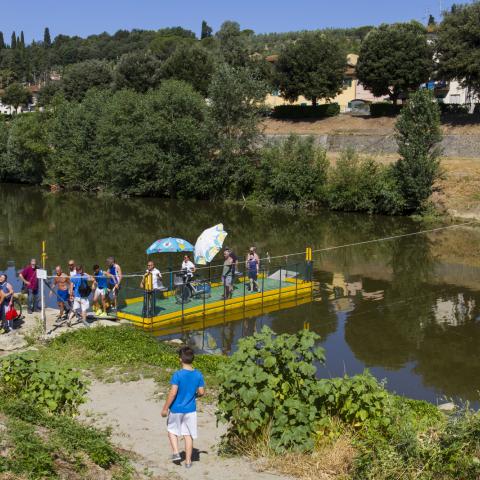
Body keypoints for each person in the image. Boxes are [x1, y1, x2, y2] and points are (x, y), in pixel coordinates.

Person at [161, 346, 205, 469]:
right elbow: (201, 392)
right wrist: (194, 395)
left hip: (176, 409)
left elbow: (173, 393)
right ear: (192, 359)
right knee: (188, 435)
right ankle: (188, 461)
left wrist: (165, 408)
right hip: (190, 410)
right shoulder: (198, 374)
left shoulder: (178, 375)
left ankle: (176, 452)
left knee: (171, 430)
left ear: (180, 359)